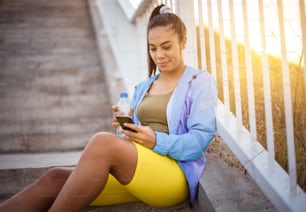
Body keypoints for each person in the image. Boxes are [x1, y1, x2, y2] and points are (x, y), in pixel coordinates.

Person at [0, 4, 217, 211]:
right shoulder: (144, 87)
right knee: (54, 177)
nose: (159, 55)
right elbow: (135, 141)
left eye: (166, 46)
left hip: (172, 174)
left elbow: (198, 142)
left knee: (103, 142)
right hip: (140, 169)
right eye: (153, 48)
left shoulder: (199, 82)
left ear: (184, 41)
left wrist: (155, 140)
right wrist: (127, 128)